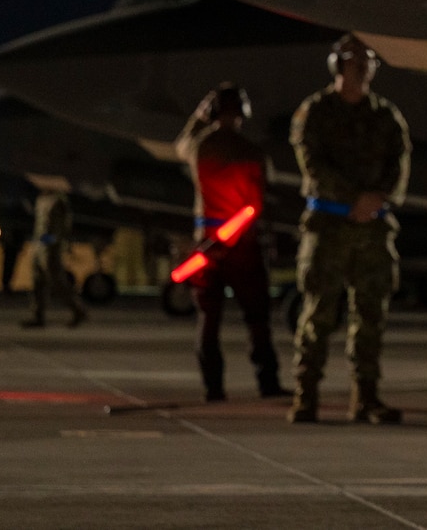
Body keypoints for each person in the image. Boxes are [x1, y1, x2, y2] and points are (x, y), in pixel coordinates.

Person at [289, 35, 411, 425]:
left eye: (367, 63)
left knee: (371, 315)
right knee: (319, 315)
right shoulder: (316, 111)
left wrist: (377, 198)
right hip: (328, 226)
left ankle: (367, 398)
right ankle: (305, 396)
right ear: (337, 66)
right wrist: (354, 198)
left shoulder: (386, 116)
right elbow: (313, 165)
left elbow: (399, 166)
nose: (361, 69)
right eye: (354, 62)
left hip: (372, 229)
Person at [175, 83, 281, 401]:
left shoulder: (198, 147)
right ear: (243, 113)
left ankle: (214, 388)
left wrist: (198, 116)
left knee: (208, 319)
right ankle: (267, 383)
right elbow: (257, 203)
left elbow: (179, 145)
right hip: (243, 245)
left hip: (206, 244)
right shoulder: (252, 152)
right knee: (257, 319)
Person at [19, 186, 86, 329]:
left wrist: (52, 243)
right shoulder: (42, 199)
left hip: (50, 247)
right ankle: (38, 315)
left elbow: (62, 226)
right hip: (39, 244)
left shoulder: (58, 201)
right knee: (38, 281)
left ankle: (78, 310)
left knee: (56, 281)